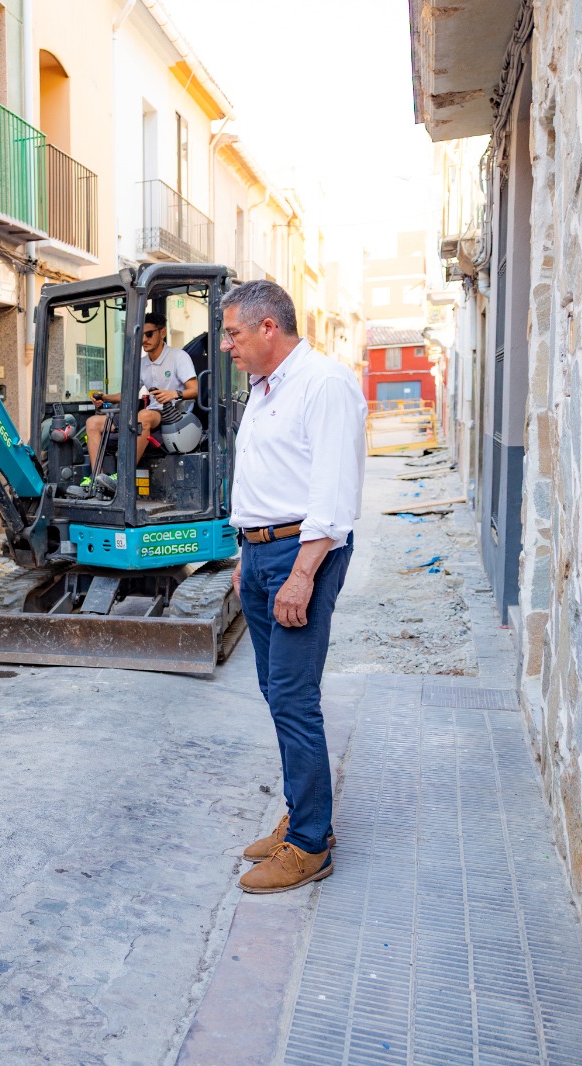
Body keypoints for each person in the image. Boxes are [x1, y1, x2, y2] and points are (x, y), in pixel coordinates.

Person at [221, 280, 366, 894]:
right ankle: (303, 815)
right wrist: (243, 555)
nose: (226, 345)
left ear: (268, 329)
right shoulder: (264, 388)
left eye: (233, 333)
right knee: (276, 693)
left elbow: (332, 497)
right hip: (260, 554)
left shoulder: (323, 385)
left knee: (293, 697)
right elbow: (268, 477)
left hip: (302, 554)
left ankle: (310, 843)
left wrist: (300, 574)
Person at [82, 311, 198, 490]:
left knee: (143, 416)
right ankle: (98, 480)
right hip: (149, 412)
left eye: (149, 334)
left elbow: (194, 390)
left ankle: (123, 477)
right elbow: (128, 394)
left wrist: (174, 394)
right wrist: (105, 398)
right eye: (141, 335)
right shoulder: (142, 363)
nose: (144, 339)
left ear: (162, 333)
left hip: (172, 414)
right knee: (93, 423)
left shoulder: (178, 357)